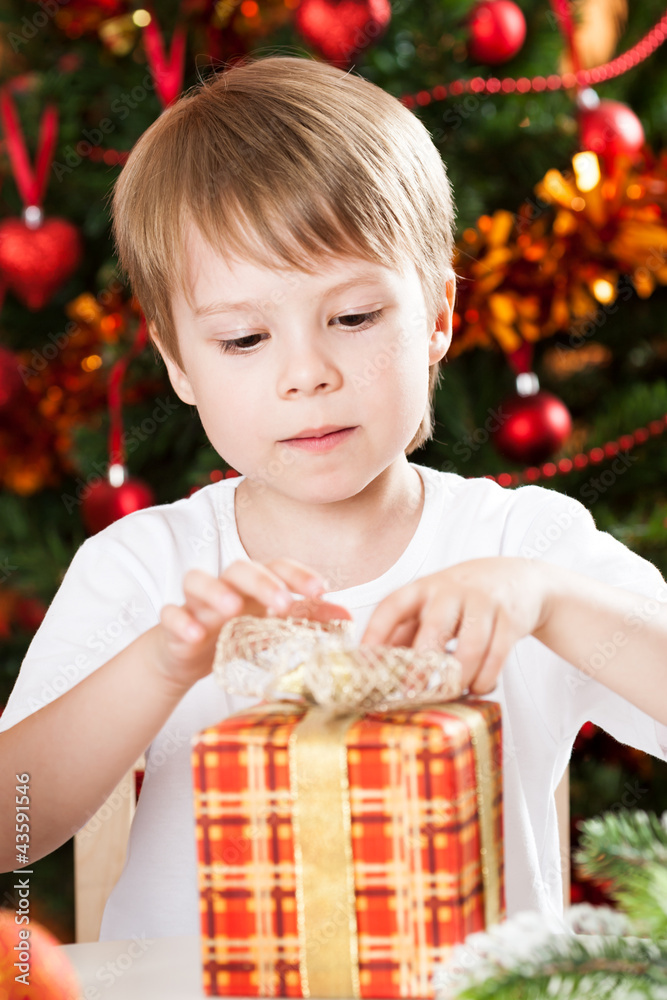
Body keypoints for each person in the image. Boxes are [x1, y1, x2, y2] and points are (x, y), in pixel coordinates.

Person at [0, 55, 666, 946]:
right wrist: (160, 664)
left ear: (435, 317)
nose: (306, 374)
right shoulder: (147, 569)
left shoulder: (521, 543)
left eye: (353, 319)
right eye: (243, 338)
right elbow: (14, 824)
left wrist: (549, 602)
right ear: (178, 365)